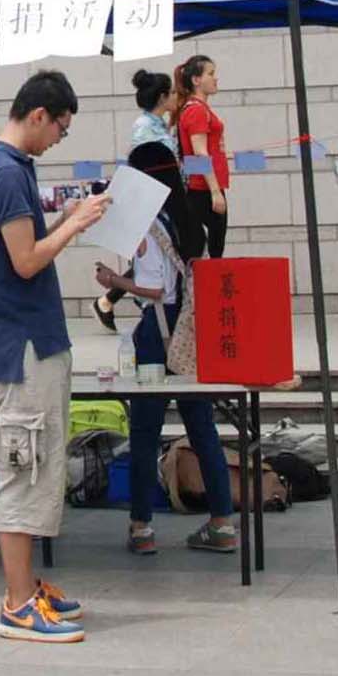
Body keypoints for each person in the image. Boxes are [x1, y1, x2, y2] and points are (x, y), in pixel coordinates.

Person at [0, 69, 109, 643]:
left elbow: (24, 250)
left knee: (39, 466)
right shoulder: (6, 172)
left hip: (36, 341)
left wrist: (67, 220)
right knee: (23, 469)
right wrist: (74, 226)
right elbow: (26, 261)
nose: (59, 139)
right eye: (60, 128)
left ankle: (27, 587)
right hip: (22, 346)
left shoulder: (13, 168)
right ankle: (17, 603)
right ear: (38, 116)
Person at [93, 143, 238, 559]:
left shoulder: (149, 226)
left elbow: (153, 288)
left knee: (144, 431)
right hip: (190, 333)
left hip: (156, 336)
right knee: (203, 429)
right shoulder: (191, 220)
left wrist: (113, 281)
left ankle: (141, 527)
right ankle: (222, 523)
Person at [99, 67, 179, 332]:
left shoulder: (157, 124)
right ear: (162, 97)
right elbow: (147, 169)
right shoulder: (144, 127)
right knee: (152, 268)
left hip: (163, 201)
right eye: (172, 93)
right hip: (152, 203)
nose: (176, 97)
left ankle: (110, 300)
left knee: (159, 267)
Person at [173, 54, 229, 260]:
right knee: (213, 250)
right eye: (211, 74)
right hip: (203, 189)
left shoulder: (198, 109)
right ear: (196, 80)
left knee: (212, 248)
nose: (215, 78)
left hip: (203, 186)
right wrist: (214, 191)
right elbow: (199, 153)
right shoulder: (196, 110)